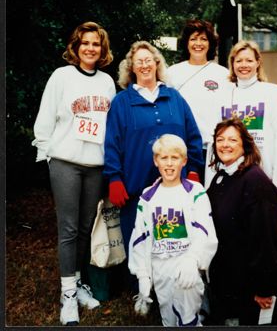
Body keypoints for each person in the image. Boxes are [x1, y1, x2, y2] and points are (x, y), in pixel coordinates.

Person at [32, 21, 116, 325]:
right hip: (66, 161)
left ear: (102, 49)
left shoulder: (107, 82)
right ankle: (67, 295)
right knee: (67, 229)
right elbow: (45, 119)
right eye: (85, 43)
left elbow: (110, 126)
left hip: (94, 165)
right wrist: (47, 153)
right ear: (76, 47)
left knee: (85, 228)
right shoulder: (61, 76)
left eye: (96, 43)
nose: (91, 48)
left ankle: (78, 282)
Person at [103, 41, 203, 262]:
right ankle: (140, 286)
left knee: (174, 236)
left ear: (157, 64)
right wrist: (114, 178)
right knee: (138, 237)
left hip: (175, 187)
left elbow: (193, 136)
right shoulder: (121, 102)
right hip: (135, 187)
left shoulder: (174, 98)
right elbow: (111, 143)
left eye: (149, 60)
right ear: (131, 68)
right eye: (139, 61)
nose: (145, 65)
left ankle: (173, 281)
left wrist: (194, 169)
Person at [206, 118, 277, 326]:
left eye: (232, 139)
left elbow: (267, 239)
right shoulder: (222, 177)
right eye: (220, 139)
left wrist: (264, 288)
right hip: (237, 276)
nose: (225, 145)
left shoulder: (255, 182)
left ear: (245, 145)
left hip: (262, 281)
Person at [128, 134, 218, 326]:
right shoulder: (147, 197)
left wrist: (193, 259)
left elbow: (205, 231)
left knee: (188, 316)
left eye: (175, 158)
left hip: (187, 266)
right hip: (161, 268)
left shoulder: (195, 192)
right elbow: (140, 238)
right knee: (168, 318)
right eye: (164, 158)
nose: (169, 164)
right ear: (155, 161)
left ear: (184, 161)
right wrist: (143, 275)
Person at [205, 40, 277, 196]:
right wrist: (210, 183)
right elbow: (214, 141)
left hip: (263, 175)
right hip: (230, 177)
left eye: (249, 60)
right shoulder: (222, 95)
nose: (243, 65)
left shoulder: (273, 93)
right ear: (232, 64)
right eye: (238, 60)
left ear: (258, 62)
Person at [167, 19, 229, 182]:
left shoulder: (223, 74)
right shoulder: (172, 73)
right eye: (193, 39)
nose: (198, 44)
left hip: (212, 149)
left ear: (210, 44)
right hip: (180, 149)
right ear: (186, 43)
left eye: (203, 39)